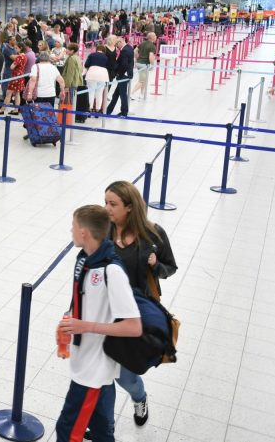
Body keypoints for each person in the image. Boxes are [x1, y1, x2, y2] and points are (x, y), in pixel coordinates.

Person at [55, 205, 142, 442]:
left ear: (84, 232)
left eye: (73, 226)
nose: (70, 230)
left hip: (94, 370)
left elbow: (134, 327)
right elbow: (84, 301)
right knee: (103, 432)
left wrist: (85, 326)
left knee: (68, 430)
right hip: (87, 363)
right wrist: (69, 323)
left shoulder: (112, 271)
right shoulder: (85, 259)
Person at [103, 181, 178, 429]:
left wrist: (156, 265)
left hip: (136, 317)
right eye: (106, 202)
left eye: (113, 204)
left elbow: (170, 267)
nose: (107, 209)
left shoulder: (154, 234)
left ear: (130, 207)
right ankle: (104, 426)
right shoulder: (104, 231)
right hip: (105, 311)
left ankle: (140, 398)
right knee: (102, 377)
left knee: (127, 377)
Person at [106, 38, 134, 117]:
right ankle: (109, 110)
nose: (116, 47)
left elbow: (124, 64)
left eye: (116, 44)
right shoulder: (129, 47)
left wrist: (119, 74)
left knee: (122, 94)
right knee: (116, 94)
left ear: (120, 42)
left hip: (123, 75)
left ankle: (124, 112)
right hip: (127, 74)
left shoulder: (125, 50)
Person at [84, 44, 111, 115]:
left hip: (92, 73)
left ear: (97, 49)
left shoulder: (91, 55)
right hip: (103, 75)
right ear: (104, 51)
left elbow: (86, 65)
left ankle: (89, 109)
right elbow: (108, 66)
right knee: (99, 93)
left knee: (91, 92)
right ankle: (97, 109)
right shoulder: (106, 57)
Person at [3, 41, 28, 115]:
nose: (15, 50)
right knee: (17, 93)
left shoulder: (19, 57)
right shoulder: (25, 56)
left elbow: (12, 67)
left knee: (9, 92)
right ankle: (16, 109)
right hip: (21, 75)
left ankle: (2, 109)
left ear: (21, 48)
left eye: (16, 48)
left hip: (15, 76)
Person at [132, 32, 156, 99]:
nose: (156, 37)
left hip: (139, 63)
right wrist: (152, 64)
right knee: (142, 81)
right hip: (144, 65)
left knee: (144, 80)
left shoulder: (142, 43)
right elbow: (151, 56)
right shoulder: (152, 46)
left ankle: (141, 94)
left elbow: (135, 51)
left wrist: (137, 58)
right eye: (155, 36)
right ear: (152, 37)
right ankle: (131, 94)